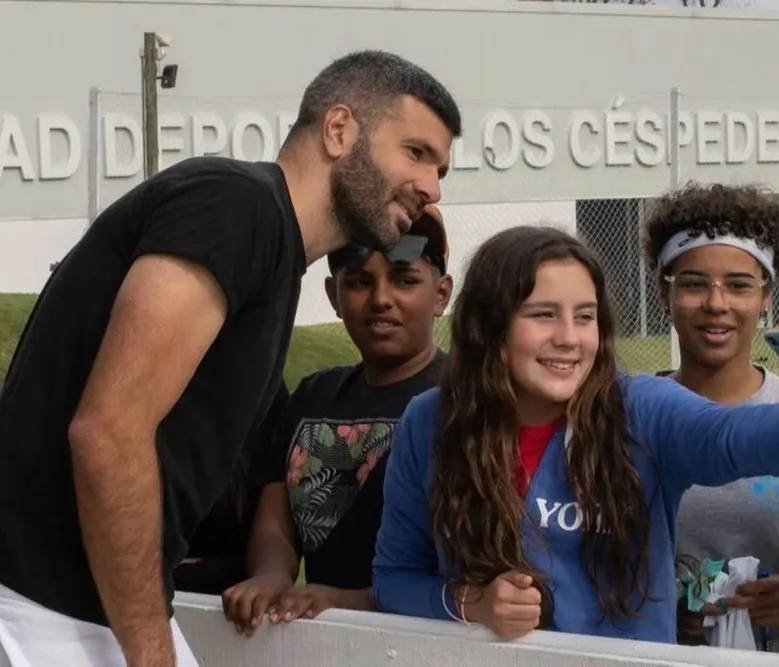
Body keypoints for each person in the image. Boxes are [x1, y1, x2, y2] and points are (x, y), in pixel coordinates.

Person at [0, 49, 460, 667]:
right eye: (416, 153)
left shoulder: (271, 251)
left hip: (91, 613)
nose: (431, 188)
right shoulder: (235, 205)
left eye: (440, 169)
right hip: (41, 613)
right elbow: (108, 432)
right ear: (339, 130)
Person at [370, 224, 779, 644]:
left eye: (585, 316)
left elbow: (732, 436)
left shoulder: (638, 408)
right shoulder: (431, 421)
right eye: (542, 315)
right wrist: (472, 602)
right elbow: (393, 578)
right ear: (488, 324)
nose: (569, 337)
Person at [220, 206, 453, 636]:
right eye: (360, 282)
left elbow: (466, 570)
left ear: (441, 295)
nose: (381, 298)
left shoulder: (466, 400)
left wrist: (350, 602)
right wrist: (273, 573)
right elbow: (274, 517)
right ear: (333, 296)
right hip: (319, 639)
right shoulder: (314, 395)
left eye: (404, 280)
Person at [641, 182, 779, 657]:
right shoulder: (631, 416)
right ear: (665, 293)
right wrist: (658, 605)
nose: (717, 303)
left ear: (765, 295)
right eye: (693, 283)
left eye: (738, 284)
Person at [172, 383, 290, 595]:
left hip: (230, 593)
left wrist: (271, 573)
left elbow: (273, 521)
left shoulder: (264, 389)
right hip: (135, 578)